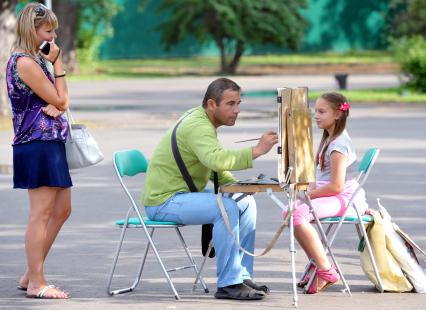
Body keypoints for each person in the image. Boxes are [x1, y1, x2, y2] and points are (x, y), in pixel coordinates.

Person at [142, 78, 278, 300]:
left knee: (244, 201)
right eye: (231, 104)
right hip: (163, 201)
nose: (237, 110)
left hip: (183, 195)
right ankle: (228, 284)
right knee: (225, 207)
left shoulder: (203, 120)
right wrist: (257, 150)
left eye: (238, 103)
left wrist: (238, 186)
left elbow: (212, 165)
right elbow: (215, 159)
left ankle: (241, 275)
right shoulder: (198, 125)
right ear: (212, 104)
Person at [6, 3, 71, 299]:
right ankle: (36, 282)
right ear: (31, 31)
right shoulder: (26, 63)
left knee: (62, 210)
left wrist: (57, 104)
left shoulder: (33, 60)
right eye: (48, 30)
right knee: (42, 213)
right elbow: (62, 99)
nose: (54, 36)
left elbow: (59, 102)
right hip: (37, 143)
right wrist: (58, 64)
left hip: (48, 142)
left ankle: (30, 273)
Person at [282, 92, 368, 294]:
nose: (316, 116)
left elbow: (337, 186)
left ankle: (326, 271)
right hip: (336, 195)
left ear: (338, 114)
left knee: (297, 214)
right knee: (288, 211)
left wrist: (308, 196)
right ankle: (317, 260)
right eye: (316, 111)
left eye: (322, 111)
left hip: (344, 198)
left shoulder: (338, 145)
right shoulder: (330, 138)